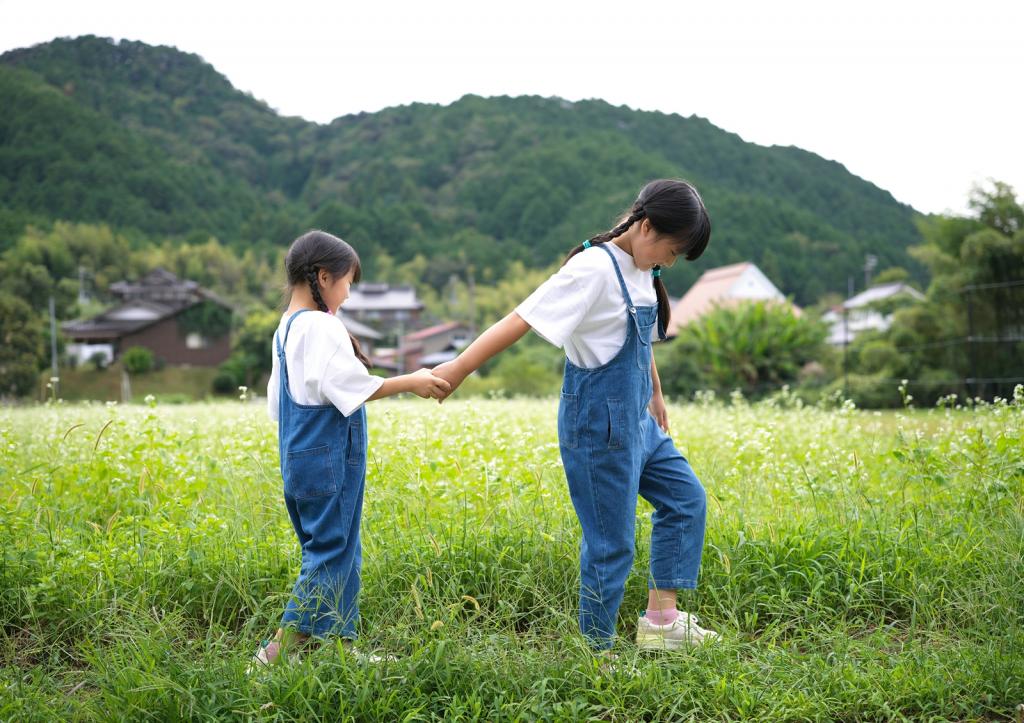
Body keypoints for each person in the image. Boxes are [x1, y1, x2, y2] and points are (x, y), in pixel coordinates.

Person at [433, 179, 718, 651]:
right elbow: (521, 319)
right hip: (599, 428)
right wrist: (460, 368)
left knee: (686, 500)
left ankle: (662, 623)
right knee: (611, 543)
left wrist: (656, 393)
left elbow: (639, 337)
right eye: (671, 251)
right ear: (646, 227)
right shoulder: (593, 270)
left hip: (638, 421)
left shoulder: (642, 268)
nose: (670, 263)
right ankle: (596, 651)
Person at [251, 230, 450, 669]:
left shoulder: (286, 328)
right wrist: (411, 381)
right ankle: (274, 655)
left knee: (336, 549)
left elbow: (278, 404)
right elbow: (348, 387)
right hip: (327, 456)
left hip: (299, 454)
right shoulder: (320, 325)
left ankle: (338, 649)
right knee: (330, 552)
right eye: (346, 283)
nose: (347, 294)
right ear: (323, 277)